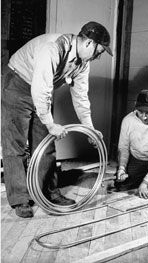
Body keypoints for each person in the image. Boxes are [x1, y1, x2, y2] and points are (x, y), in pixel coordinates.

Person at [1, 21, 113, 218]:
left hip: (41, 90)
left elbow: (81, 97)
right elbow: (40, 87)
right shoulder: (53, 48)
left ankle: (48, 192)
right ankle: (20, 199)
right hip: (18, 85)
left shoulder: (83, 63)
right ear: (88, 44)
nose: (99, 56)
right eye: (100, 51)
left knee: (46, 145)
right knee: (15, 145)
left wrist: (89, 129)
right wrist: (51, 123)